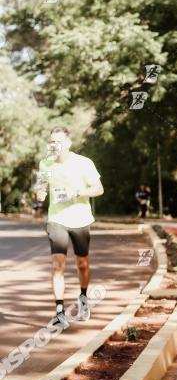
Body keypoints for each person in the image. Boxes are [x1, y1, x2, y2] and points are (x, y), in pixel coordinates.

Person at [34, 126, 104, 323]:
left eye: (58, 141)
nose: (54, 145)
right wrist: (40, 193)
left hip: (80, 219)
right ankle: (59, 312)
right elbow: (41, 189)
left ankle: (83, 298)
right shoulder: (45, 164)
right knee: (58, 265)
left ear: (68, 143)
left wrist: (80, 193)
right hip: (56, 219)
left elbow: (99, 189)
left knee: (82, 263)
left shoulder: (83, 163)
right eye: (52, 142)